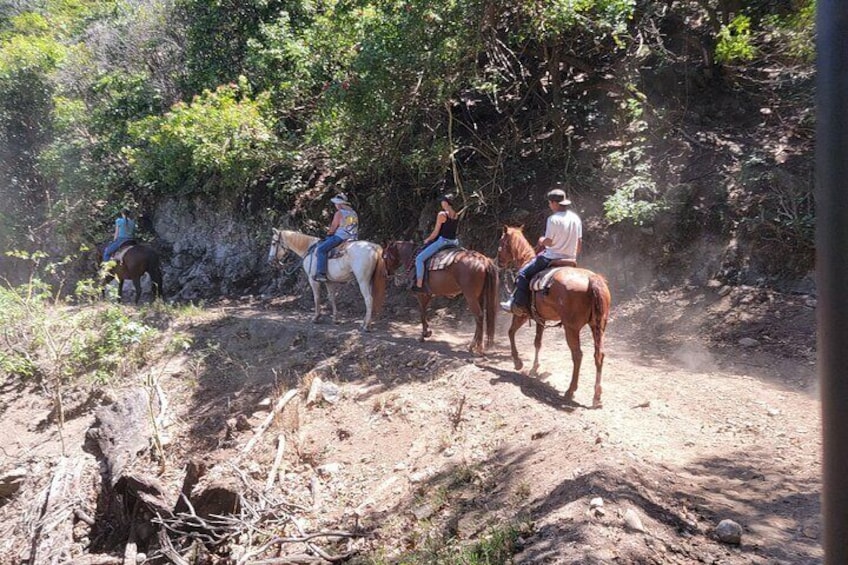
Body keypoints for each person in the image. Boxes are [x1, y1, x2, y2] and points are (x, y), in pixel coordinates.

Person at [500, 188, 582, 315]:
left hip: (551, 257)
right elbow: (579, 242)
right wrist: (573, 256)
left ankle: (517, 304)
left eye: (550, 203)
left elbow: (549, 242)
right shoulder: (575, 218)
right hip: (571, 258)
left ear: (555, 203)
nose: (549, 205)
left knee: (522, 274)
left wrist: (542, 240)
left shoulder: (553, 219)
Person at [412, 194, 460, 292]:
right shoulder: (456, 214)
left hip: (443, 242)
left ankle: (419, 283)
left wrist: (427, 239)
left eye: (442, 201)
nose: (441, 203)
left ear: (446, 202)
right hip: (454, 243)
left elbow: (435, 232)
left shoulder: (442, 214)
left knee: (419, 259)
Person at [314, 193, 359, 282]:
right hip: (353, 237)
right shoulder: (353, 213)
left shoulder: (339, 213)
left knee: (321, 249)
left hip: (340, 237)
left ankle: (321, 274)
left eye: (336, 203)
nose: (335, 205)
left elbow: (334, 226)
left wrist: (329, 233)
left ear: (339, 204)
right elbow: (350, 226)